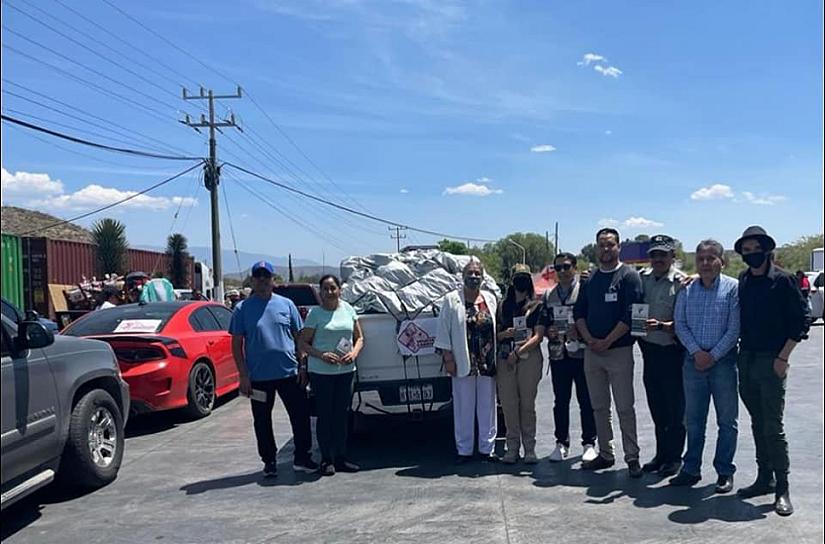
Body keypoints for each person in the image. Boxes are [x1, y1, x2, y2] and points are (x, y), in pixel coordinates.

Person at [734, 226, 808, 516]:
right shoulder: (744, 280)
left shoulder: (784, 280)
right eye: (747, 250)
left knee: (773, 427)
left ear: (767, 249)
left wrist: (783, 357)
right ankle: (764, 478)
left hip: (772, 359)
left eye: (756, 248)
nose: (752, 254)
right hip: (747, 358)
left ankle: (782, 487)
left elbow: (801, 321)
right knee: (756, 421)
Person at [229, 261, 317, 477]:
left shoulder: (287, 305)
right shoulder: (242, 309)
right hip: (258, 378)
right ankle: (269, 461)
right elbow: (236, 344)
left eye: (266, 276)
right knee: (262, 420)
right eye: (258, 276)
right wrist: (243, 375)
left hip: (289, 373)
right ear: (252, 280)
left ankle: (302, 458)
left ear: (273, 279)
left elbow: (300, 337)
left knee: (300, 416)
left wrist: (303, 366)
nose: (262, 280)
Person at [573, 228, 643, 478]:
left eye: (610, 244)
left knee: (625, 407)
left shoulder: (629, 276)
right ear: (596, 247)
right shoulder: (590, 279)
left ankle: (632, 457)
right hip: (592, 352)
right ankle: (605, 454)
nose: (606, 249)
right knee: (599, 407)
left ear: (618, 247)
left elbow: (632, 314)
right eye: (601, 245)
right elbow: (579, 312)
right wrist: (590, 339)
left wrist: (608, 340)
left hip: (619, 352)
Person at [671, 240, 740, 493]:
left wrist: (713, 355)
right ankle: (691, 469)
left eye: (711, 258)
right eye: (701, 259)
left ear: (722, 261)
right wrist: (697, 352)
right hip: (693, 362)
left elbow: (735, 328)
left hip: (723, 362)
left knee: (727, 421)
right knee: (694, 420)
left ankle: (724, 471)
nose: (706, 263)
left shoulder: (733, 288)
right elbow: (680, 323)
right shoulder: (687, 290)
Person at [298, 275, 364, 476]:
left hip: (345, 372)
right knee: (325, 415)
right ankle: (326, 459)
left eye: (333, 288)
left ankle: (341, 457)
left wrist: (353, 353)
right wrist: (321, 355)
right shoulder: (315, 314)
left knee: (342, 415)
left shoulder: (348, 309)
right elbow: (303, 343)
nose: (329, 292)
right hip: (321, 373)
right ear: (320, 291)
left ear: (339, 290)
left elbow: (359, 337)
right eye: (325, 289)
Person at [434, 257, 499, 464]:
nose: (473, 276)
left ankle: (487, 449)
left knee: (487, 407)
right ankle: (464, 450)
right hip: (463, 360)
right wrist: (448, 358)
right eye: (469, 273)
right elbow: (443, 330)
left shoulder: (489, 299)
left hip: (487, 362)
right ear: (463, 276)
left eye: (477, 273)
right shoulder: (452, 300)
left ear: (482, 277)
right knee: (463, 406)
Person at [541, 253, 598, 464]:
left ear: (574, 267)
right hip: (559, 355)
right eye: (558, 268)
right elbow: (544, 324)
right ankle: (561, 443)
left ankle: (589, 443)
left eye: (566, 267)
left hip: (581, 353)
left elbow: (594, 319)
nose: (562, 272)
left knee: (586, 399)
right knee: (561, 401)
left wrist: (581, 331)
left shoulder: (585, 291)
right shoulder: (549, 295)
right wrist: (550, 332)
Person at [638, 235, 687, 477]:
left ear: (672, 257)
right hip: (649, 352)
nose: (658, 259)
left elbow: (687, 322)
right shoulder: (642, 279)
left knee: (675, 409)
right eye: (654, 254)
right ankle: (660, 455)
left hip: (673, 352)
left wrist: (661, 326)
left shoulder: (682, 282)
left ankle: (674, 458)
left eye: (663, 255)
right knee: (657, 407)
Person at [496, 264, 544, 464]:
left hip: (528, 357)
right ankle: (512, 448)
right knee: (508, 405)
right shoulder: (502, 305)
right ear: (511, 280)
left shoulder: (537, 305)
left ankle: (530, 448)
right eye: (518, 277)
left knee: (527, 405)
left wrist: (519, 352)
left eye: (525, 277)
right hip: (505, 358)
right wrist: (504, 335)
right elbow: (496, 334)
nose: (521, 281)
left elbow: (538, 336)